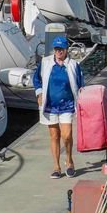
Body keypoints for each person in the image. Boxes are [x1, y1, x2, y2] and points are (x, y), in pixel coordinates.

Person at [33, 36, 83, 178]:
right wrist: (39, 93)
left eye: (61, 49)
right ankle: (56, 166)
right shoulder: (45, 62)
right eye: (56, 49)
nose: (59, 51)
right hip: (50, 106)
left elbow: (81, 84)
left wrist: (81, 101)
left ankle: (69, 160)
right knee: (54, 135)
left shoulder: (73, 65)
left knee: (66, 135)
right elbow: (36, 79)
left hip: (67, 105)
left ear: (66, 49)